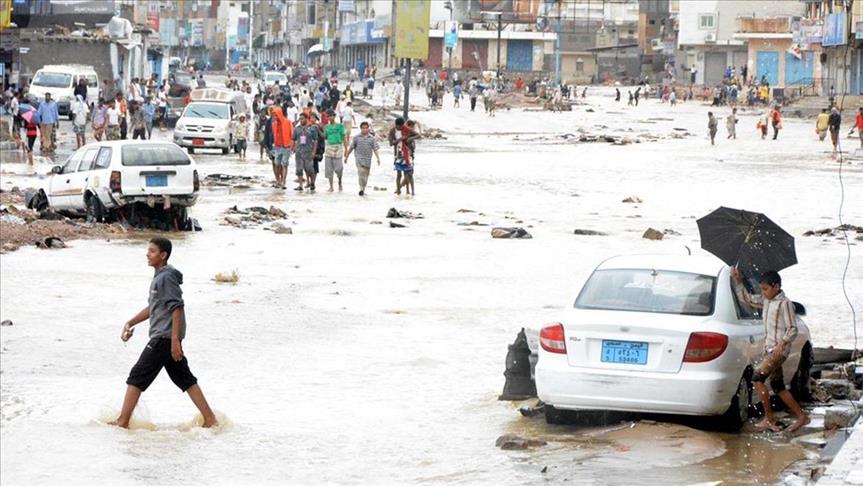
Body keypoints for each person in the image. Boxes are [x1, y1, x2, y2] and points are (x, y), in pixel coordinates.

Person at [110, 238, 218, 429]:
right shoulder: (160, 276)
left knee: (136, 376)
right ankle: (210, 419)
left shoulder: (166, 277)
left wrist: (175, 340)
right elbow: (154, 306)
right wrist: (130, 322)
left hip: (164, 338)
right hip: (167, 338)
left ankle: (123, 421)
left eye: (151, 251)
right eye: (147, 250)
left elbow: (177, 307)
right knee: (185, 379)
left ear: (163, 255)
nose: (147, 254)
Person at [731, 268, 809, 433]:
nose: (763, 292)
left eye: (766, 289)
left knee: (757, 377)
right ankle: (802, 417)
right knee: (778, 386)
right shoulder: (766, 301)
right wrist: (738, 281)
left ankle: (769, 418)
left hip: (778, 351)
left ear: (776, 286)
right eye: (762, 289)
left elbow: (793, 328)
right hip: (769, 349)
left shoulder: (785, 303)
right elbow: (747, 300)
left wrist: (783, 342)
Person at [344, 121, 380, 196]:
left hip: (368, 159)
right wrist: (346, 157)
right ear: (360, 129)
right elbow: (351, 148)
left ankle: (363, 189)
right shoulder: (356, 137)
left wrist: (378, 158)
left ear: (368, 129)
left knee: (366, 175)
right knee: (361, 173)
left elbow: (375, 149)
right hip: (359, 159)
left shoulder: (372, 138)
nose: (364, 130)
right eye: (363, 128)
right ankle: (361, 188)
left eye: (366, 128)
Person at [293, 112, 319, 192]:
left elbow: (315, 141)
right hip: (299, 152)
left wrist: (314, 152)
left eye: (302, 119)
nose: (301, 120)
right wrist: (293, 148)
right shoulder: (297, 129)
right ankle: (300, 185)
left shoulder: (312, 128)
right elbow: (293, 139)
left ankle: (312, 183)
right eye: (300, 119)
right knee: (299, 169)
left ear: (306, 119)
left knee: (309, 169)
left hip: (308, 151)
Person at [322, 110, 347, 192]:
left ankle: (340, 181)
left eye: (331, 116)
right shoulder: (326, 127)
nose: (330, 118)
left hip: (338, 147)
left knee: (339, 168)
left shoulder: (340, 126)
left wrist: (346, 149)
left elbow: (344, 138)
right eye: (328, 116)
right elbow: (325, 137)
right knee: (329, 169)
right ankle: (331, 186)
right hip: (329, 147)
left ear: (334, 116)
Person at [270, 106, 293, 189]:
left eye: (275, 115)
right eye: (273, 115)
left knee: (284, 164)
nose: (274, 117)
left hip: (286, 146)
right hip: (277, 147)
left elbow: (292, 134)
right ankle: (278, 181)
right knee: (277, 164)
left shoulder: (288, 122)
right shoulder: (274, 124)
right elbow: (273, 135)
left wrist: (292, 146)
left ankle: (284, 182)